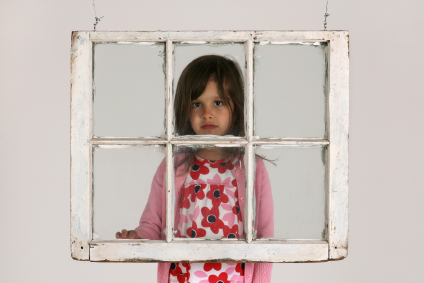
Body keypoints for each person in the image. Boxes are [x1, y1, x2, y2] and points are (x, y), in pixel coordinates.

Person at [116, 55, 274, 283]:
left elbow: (265, 238)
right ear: (184, 109)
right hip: (182, 278)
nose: (207, 113)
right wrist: (137, 236)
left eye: (218, 103)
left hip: (237, 279)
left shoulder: (251, 168)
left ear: (236, 107)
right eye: (196, 104)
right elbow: (153, 224)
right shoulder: (175, 166)